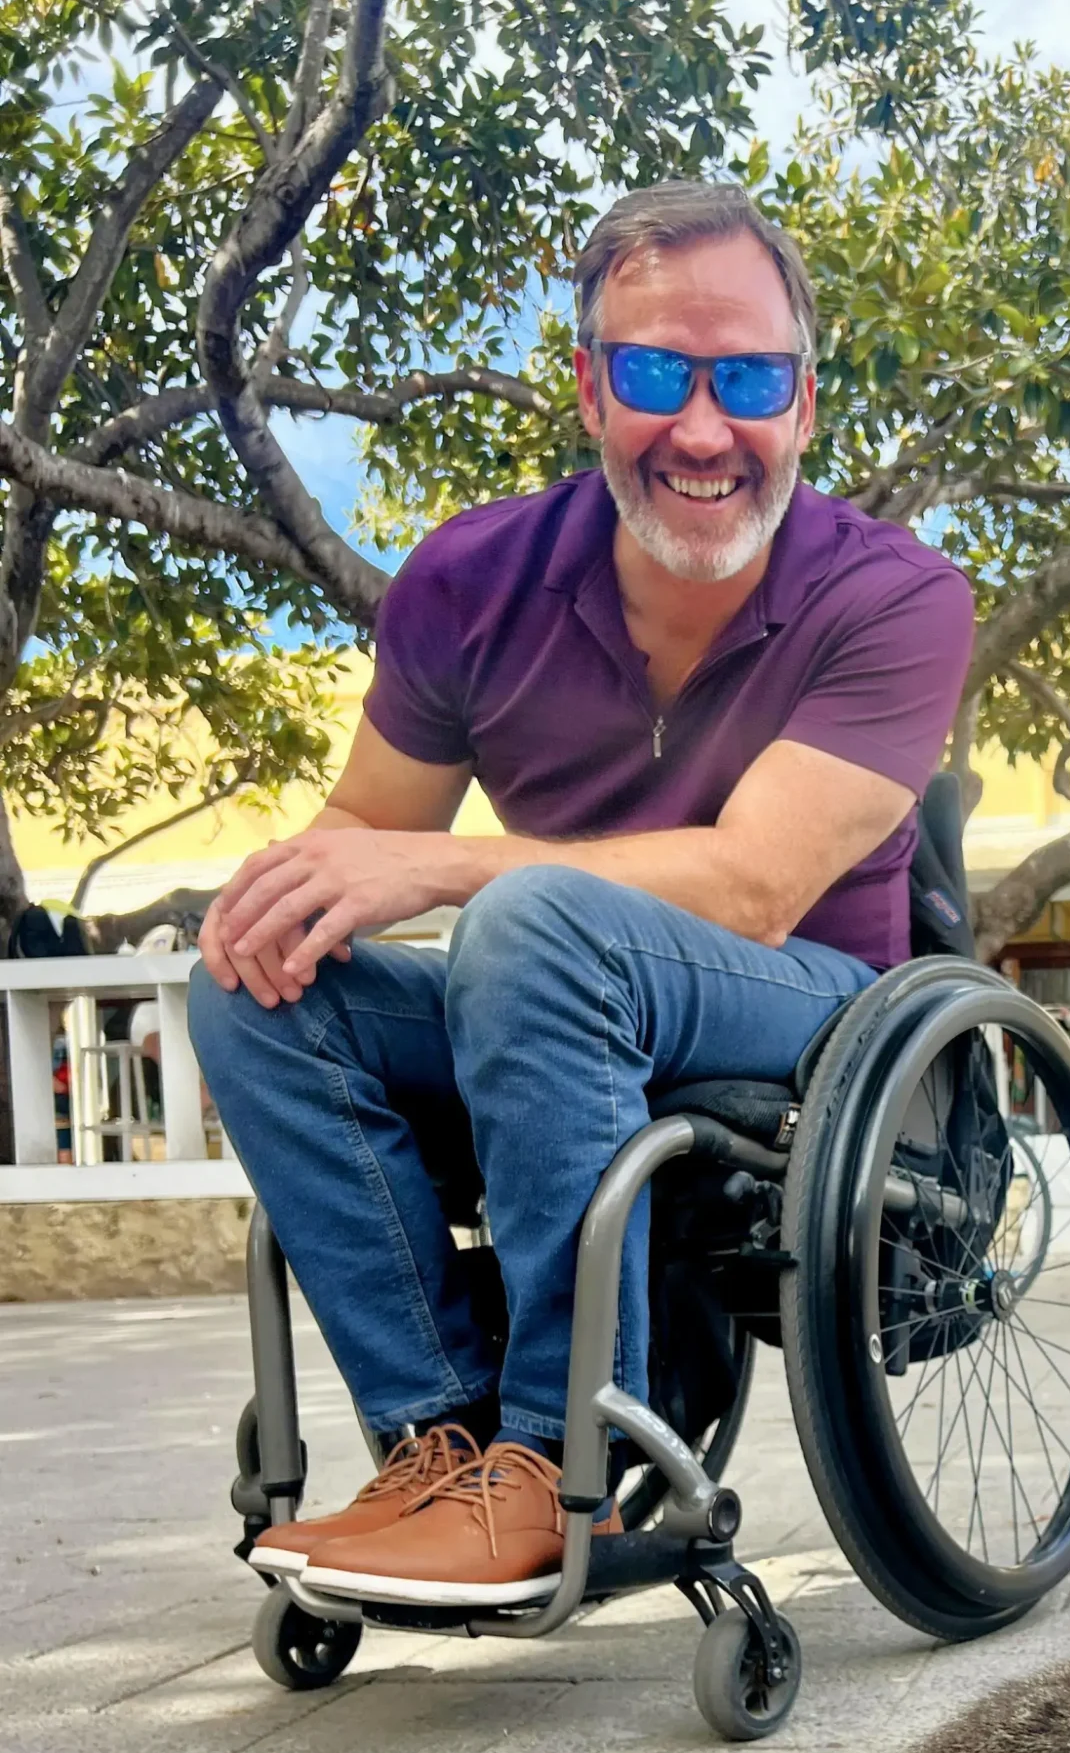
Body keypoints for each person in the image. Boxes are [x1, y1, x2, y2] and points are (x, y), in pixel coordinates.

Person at [188, 181, 975, 1606]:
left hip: (805, 1011)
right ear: (588, 385)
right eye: (653, 374)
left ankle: (559, 1461)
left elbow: (751, 883)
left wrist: (437, 867)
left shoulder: (900, 598)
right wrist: (278, 896)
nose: (701, 427)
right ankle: (446, 1445)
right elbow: (364, 826)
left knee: (532, 922)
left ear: (804, 401)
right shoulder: (472, 580)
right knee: (258, 990)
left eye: (747, 378)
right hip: (541, 996)